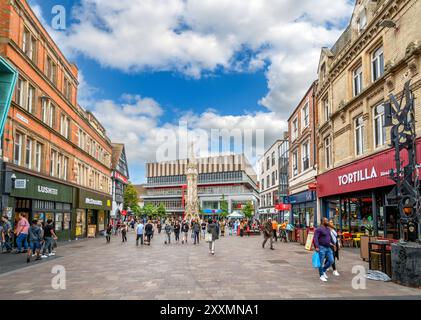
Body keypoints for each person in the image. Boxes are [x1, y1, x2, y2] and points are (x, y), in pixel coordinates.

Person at [314, 217, 336, 282]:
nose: (328, 222)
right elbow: (315, 238)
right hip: (321, 248)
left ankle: (323, 270)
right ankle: (321, 275)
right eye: (326, 221)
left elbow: (330, 237)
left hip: (328, 247)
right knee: (321, 262)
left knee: (331, 260)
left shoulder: (328, 229)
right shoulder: (318, 229)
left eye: (327, 220)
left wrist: (333, 244)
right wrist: (317, 247)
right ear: (323, 222)